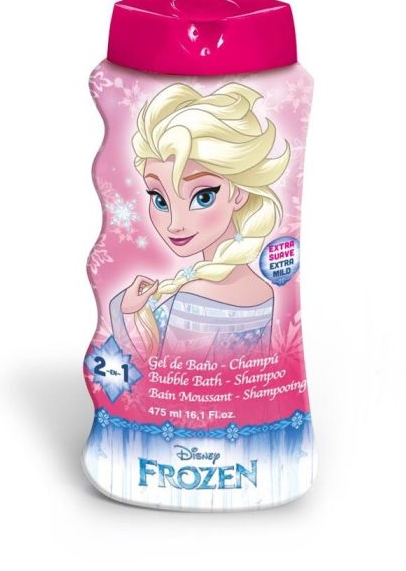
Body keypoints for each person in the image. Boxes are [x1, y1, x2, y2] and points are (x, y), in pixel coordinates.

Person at [109, 81, 290, 362]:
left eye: (203, 197)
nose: (175, 224)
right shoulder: (264, 291)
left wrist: (127, 312)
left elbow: (161, 375)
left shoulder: (196, 296)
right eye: (160, 200)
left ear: (238, 193)